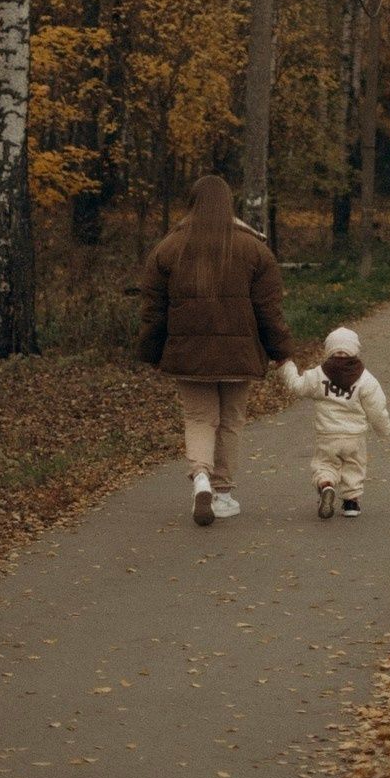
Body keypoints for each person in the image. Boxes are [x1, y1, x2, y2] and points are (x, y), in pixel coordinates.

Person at [139, 173, 295, 527]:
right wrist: (280, 349)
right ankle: (222, 493)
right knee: (230, 421)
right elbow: (268, 309)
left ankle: (201, 478)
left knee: (198, 418)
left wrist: (151, 350)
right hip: (239, 355)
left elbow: (153, 310)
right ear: (230, 205)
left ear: (192, 203)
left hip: (189, 353)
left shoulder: (167, 249)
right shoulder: (255, 249)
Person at [280, 325, 390, 518]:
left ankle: (326, 485)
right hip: (354, 436)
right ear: (355, 350)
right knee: (354, 466)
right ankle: (351, 503)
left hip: (327, 434)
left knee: (325, 465)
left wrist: (286, 366)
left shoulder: (318, 375)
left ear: (328, 350)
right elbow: (376, 408)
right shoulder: (365, 379)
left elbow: (297, 386)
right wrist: (384, 430)